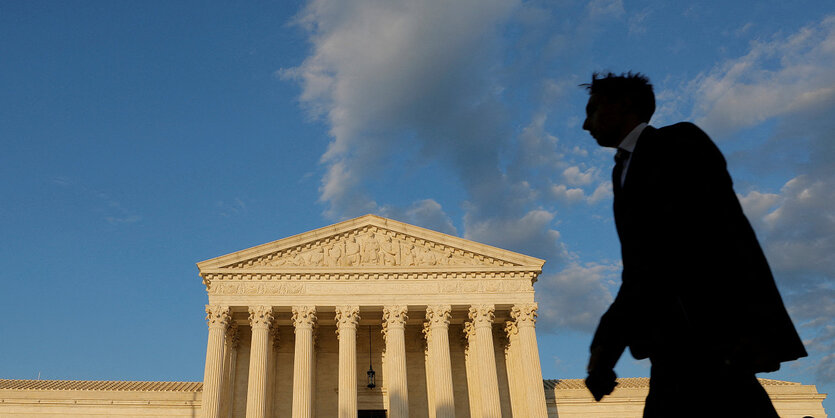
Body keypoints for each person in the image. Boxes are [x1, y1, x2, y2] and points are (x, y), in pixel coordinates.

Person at [581, 72, 807, 417]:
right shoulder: (621, 172)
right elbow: (641, 268)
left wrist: (749, 328)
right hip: (673, 342)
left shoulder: (679, 142)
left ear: (623, 106)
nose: (586, 124)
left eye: (593, 110)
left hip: (710, 331)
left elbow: (726, 234)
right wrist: (604, 352)